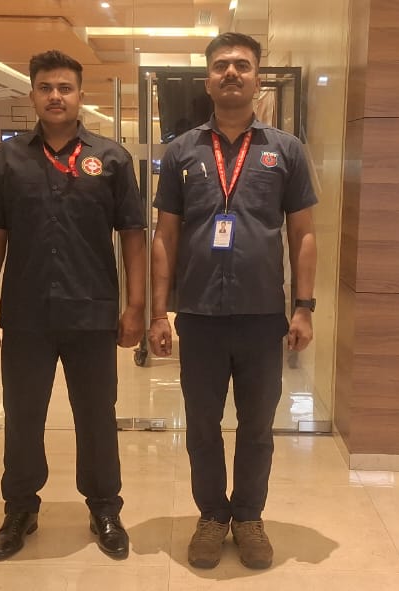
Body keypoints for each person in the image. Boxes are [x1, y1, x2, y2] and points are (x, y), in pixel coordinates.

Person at [149, 32, 318, 571]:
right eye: (221, 65)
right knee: (201, 425)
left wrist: (304, 306)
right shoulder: (182, 152)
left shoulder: (285, 150)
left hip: (262, 317)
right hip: (199, 316)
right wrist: (158, 312)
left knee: (257, 426)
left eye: (242, 65)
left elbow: (303, 234)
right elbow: (165, 236)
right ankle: (210, 516)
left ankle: (247, 517)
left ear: (257, 79)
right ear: (207, 81)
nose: (231, 73)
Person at [0, 49, 146, 561]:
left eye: (65, 88)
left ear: (80, 95)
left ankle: (105, 507)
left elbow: (133, 235)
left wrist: (135, 306)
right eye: (45, 87)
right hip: (26, 313)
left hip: (91, 312)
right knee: (23, 415)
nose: (55, 96)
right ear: (32, 94)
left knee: (96, 414)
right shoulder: (9, 158)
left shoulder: (111, 158)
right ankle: (20, 508)